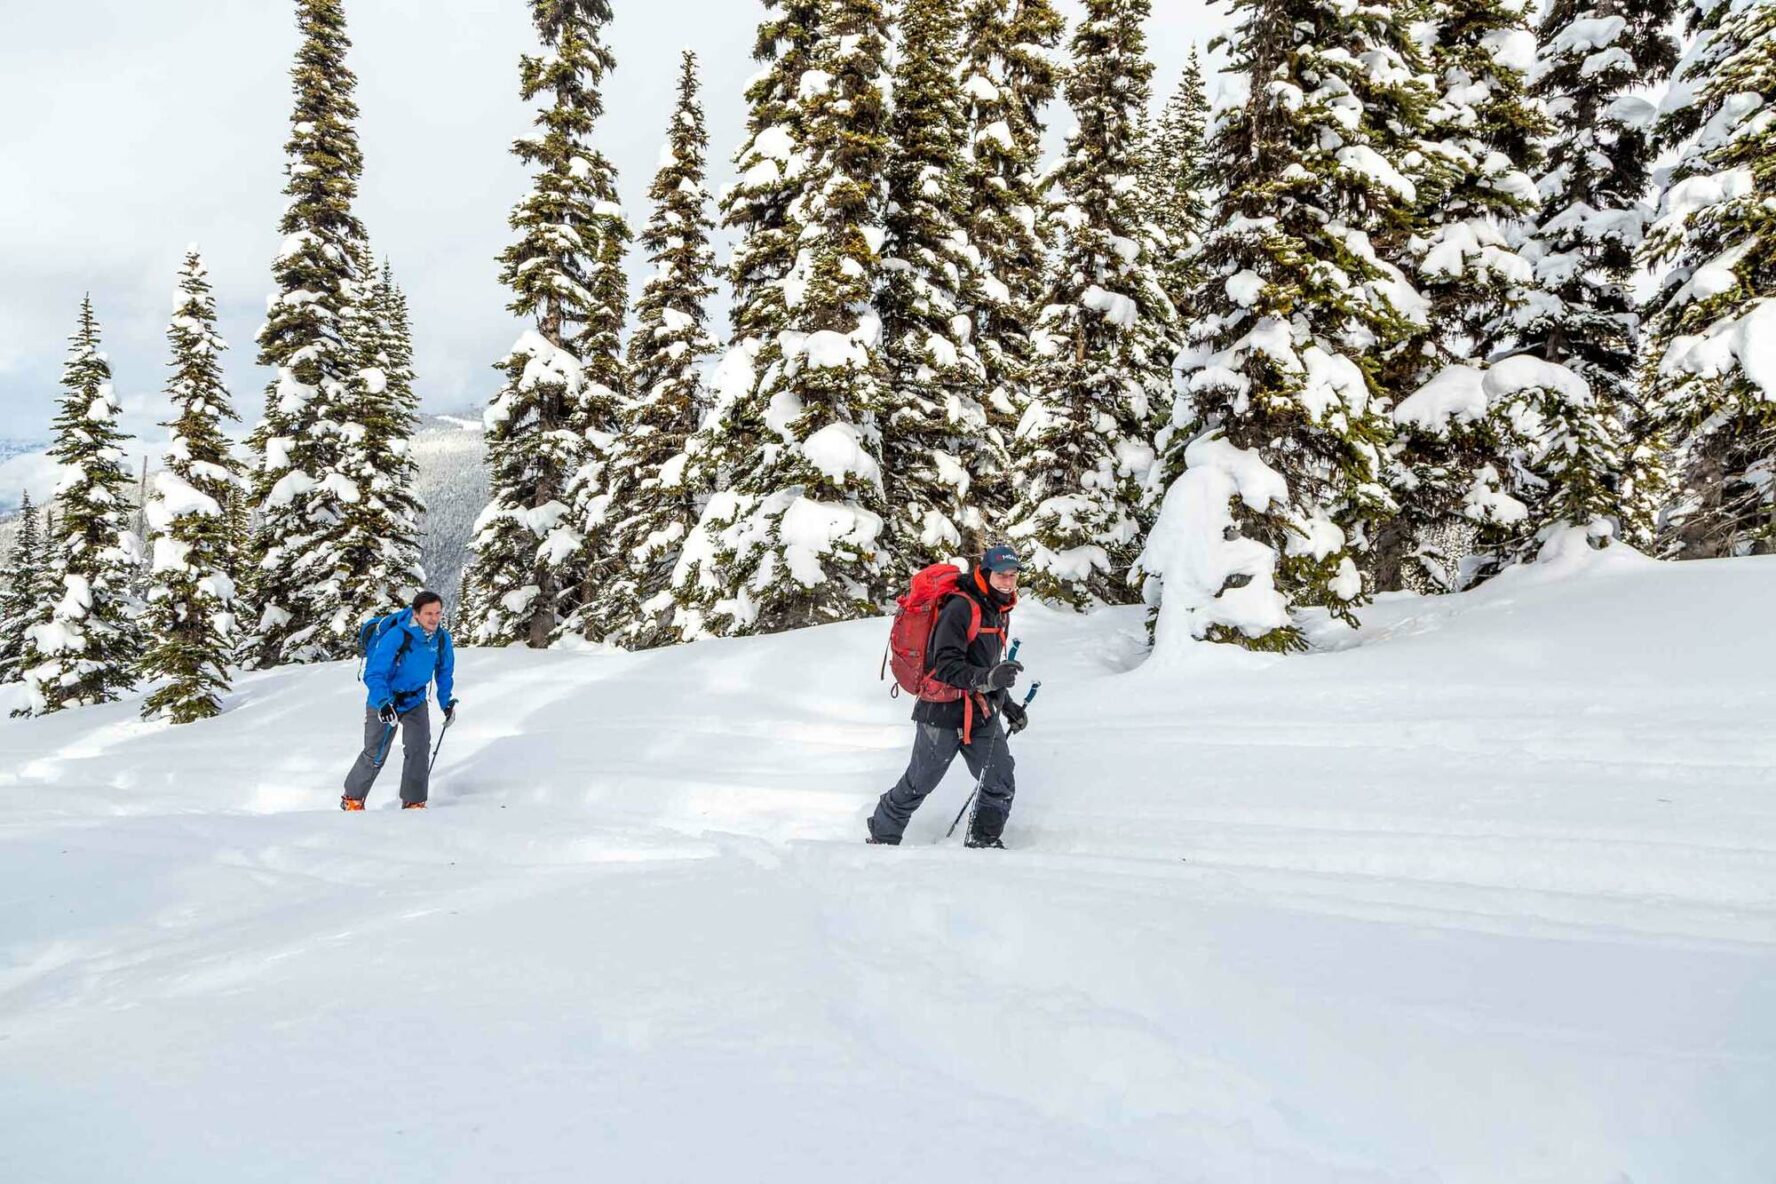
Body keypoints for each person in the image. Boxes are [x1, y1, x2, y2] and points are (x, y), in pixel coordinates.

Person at [868, 544, 1028, 848]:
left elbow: (985, 666)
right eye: (1001, 575)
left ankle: (984, 843)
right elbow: (946, 666)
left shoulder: (999, 609)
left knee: (1000, 779)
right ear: (985, 573)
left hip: (980, 711)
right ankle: (882, 836)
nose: (1008, 582)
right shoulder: (960, 608)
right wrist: (989, 678)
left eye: (1012, 576)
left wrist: (1008, 706)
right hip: (940, 712)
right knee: (919, 783)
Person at [341, 590, 457, 811]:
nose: (434, 618)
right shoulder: (397, 636)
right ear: (416, 614)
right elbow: (374, 673)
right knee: (375, 752)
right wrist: (383, 702)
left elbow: (444, 672)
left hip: (415, 700)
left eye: (438, 613)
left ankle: (414, 801)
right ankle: (352, 798)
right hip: (387, 700)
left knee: (419, 748)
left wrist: (446, 702)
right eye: (428, 613)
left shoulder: (441, 639)